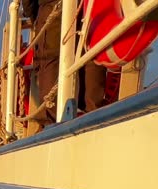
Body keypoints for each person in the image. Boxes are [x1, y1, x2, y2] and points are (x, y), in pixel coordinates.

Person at [21, 0, 107, 132]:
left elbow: (29, 5)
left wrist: (35, 15)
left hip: (53, 8)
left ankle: (51, 125)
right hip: (94, 7)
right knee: (92, 52)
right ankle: (94, 117)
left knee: (50, 61)